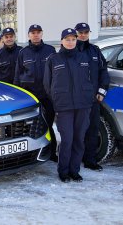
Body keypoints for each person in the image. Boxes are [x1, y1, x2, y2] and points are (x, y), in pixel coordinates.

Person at [44, 28, 93, 183]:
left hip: (82, 105)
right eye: (67, 39)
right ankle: (63, 171)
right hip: (64, 107)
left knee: (79, 139)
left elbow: (90, 79)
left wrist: (88, 96)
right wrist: (57, 100)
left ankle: (74, 171)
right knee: (67, 140)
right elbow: (47, 84)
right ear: (61, 41)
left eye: (73, 39)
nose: (70, 42)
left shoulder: (84, 57)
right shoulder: (54, 59)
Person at [14, 24, 57, 161]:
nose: (36, 35)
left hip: (47, 95)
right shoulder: (23, 53)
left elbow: (57, 72)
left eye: (38, 32)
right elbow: (18, 75)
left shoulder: (50, 50)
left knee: (48, 124)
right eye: (33, 33)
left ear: (42, 34)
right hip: (31, 97)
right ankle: (31, 152)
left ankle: (52, 153)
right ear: (29, 35)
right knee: (31, 126)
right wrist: (18, 96)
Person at [75, 23, 110, 172]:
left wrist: (101, 91)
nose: (83, 35)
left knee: (93, 129)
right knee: (76, 130)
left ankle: (90, 160)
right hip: (76, 98)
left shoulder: (95, 51)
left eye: (85, 32)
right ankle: (75, 158)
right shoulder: (71, 50)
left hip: (93, 98)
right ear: (76, 33)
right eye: (80, 32)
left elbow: (104, 72)